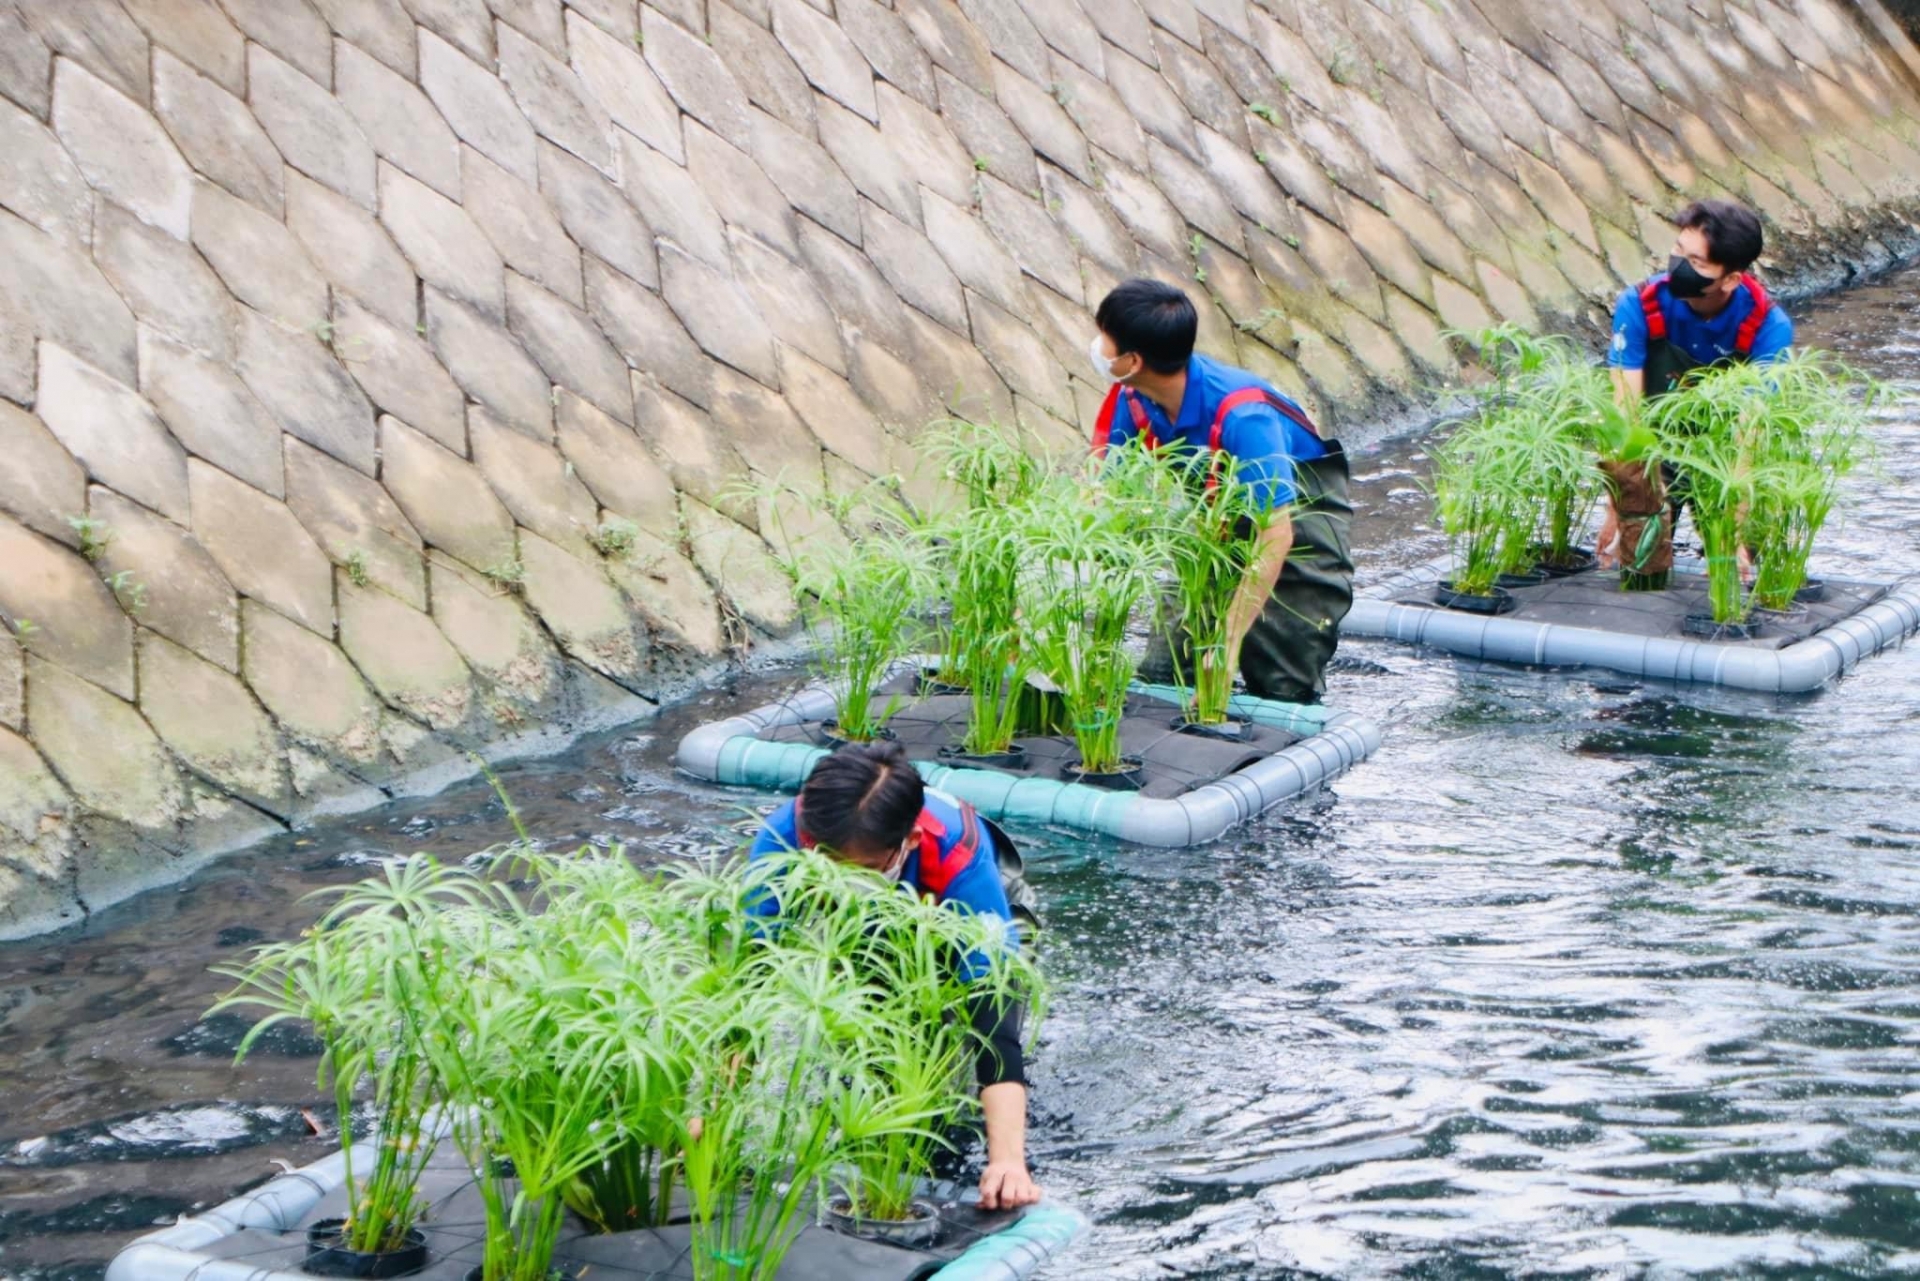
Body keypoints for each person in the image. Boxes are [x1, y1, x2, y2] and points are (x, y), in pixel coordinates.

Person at [747, 741, 1042, 1211]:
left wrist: (1007, 1161)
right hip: (864, 927)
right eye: (828, 864)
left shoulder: (955, 855)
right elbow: (752, 971)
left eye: (861, 869)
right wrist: (709, 1109)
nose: (843, 879)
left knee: (955, 1042)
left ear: (909, 841)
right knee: (873, 1050)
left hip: (961, 904)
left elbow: (993, 1014)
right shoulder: (785, 835)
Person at [1088, 278, 1354, 705]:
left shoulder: (1245, 416)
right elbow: (1109, 499)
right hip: (1219, 528)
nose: (1097, 347)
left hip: (1298, 526)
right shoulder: (1133, 397)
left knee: (1281, 685)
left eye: (1104, 337)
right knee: (1164, 670)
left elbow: (1275, 535)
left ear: (1132, 359)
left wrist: (1228, 644)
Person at [1598, 199, 1795, 568]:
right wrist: (1617, 504)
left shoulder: (1769, 327)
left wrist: (1734, 532)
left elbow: (1749, 429)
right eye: (1677, 251)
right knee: (1641, 562)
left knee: (1735, 566)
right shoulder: (1639, 305)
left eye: (1697, 263)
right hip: (1657, 448)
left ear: (1732, 278)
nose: (1678, 267)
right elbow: (1625, 412)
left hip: (1727, 456)